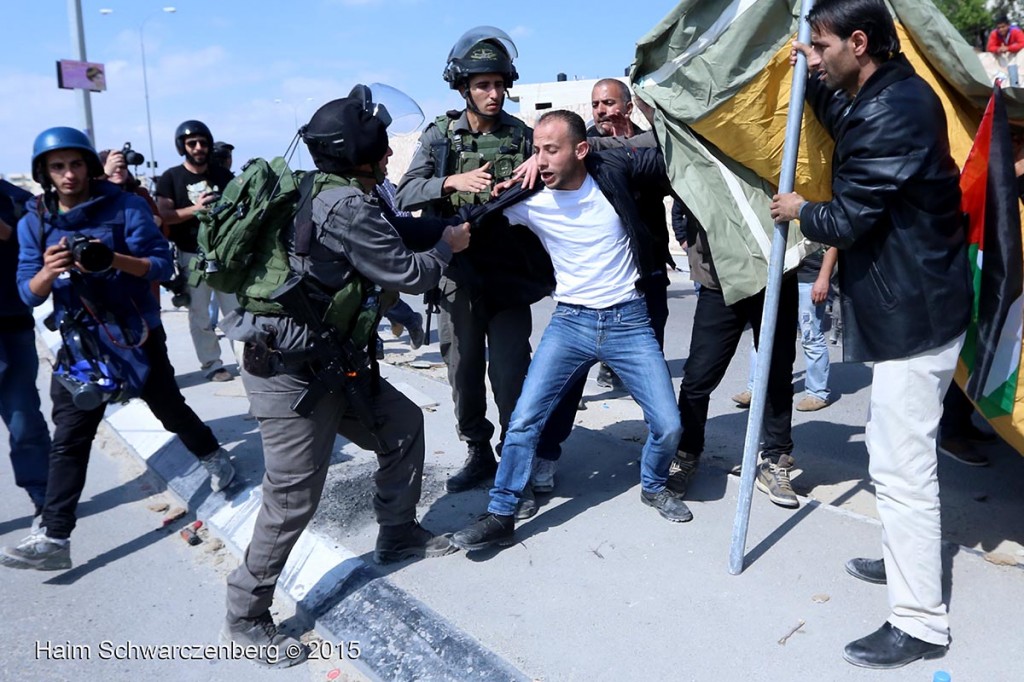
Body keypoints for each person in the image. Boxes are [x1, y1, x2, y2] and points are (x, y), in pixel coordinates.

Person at [219, 91, 470, 666]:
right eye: (381, 145)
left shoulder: (326, 190)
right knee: (291, 497)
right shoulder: (348, 206)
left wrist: (427, 242)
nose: (388, 155)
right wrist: (450, 247)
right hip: (290, 373)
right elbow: (406, 270)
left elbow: (374, 247)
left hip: (331, 361)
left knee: (401, 425)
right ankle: (246, 612)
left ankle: (398, 533)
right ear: (360, 152)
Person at [770, 0, 971, 667]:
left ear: (859, 42)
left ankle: (919, 624)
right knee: (896, 454)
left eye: (821, 47)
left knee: (901, 467)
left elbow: (851, 216)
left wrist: (801, 210)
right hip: (915, 304)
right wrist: (815, 76)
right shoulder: (885, 91)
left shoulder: (891, 110)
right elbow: (850, 120)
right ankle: (904, 560)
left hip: (915, 314)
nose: (815, 58)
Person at [450, 110, 691, 552]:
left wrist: (601, 145)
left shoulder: (613, 174)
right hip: (570, 323)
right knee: (524, 421)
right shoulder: (525, 200)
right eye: (536, 150)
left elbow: (662, 147)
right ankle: (501, 511)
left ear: (580, 150)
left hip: (629, 321)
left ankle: (654, 484)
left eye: (551, 150)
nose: (539, 160)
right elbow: (474, 224)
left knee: (668, 425)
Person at [1, 127, 234, 572]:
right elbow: (28, 294)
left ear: (89, 166)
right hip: (81, 347)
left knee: (170, 408)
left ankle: (213, 456)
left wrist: (112, 259)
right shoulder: (35, 222)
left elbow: (163, 266)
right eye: (57, 166)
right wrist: (48, 271)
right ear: (44, 173)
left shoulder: (125, 206)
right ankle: (53, 537)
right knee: (69, 439)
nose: (68, 174)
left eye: (75, 164)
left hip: (136, 336)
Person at [396, 26, 554, 494]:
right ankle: (478, 450)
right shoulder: (441, 137)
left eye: (498, 84)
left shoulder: (524, 136)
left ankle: (515, 452)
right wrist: (449, 184)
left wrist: (536, 171)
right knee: (463, 369)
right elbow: (404, 192)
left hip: (507, 273)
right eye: (482, 84)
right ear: (464, 87)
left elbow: (558, 180)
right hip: (457, 273)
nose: (493, 93)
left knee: (510, 369)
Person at [155, 120, 237, 382]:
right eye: (192, 143)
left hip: (223, 254)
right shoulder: (171, 178)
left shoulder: (222, 176)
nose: (199, 148)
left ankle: (248, 362)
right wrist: (195, 209)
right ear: (183, 147)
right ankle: (212, 363)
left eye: (202, 142)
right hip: (192, 256)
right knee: (200, 313)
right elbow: (165, 215)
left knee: (236, 311)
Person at [0, 179, 50, 526]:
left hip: (11, 325)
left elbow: (37, 247)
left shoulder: (17, 200)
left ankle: (45, 497)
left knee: (24, 419)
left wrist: (6, 231)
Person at [100, 148, 165, 306]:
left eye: (122, 167)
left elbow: (160, 223)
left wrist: (150, 221)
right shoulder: (95, 197)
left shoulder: (139, 194)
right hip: (108, 268)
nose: (118, 171)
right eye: (113, 167)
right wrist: (104, 175)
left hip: (141, 265)